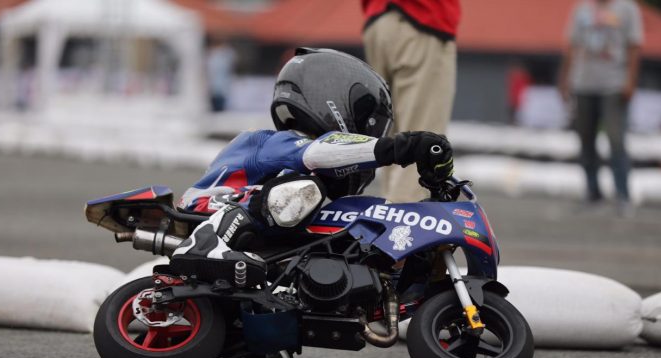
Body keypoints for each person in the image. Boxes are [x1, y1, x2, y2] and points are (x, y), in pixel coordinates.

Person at [170, 47, 454, 288]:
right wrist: (402, 147)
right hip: (207, 210)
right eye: (370, 124)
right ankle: (203, 246)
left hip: (254, 229)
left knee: (344, 223)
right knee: (306, 190)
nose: (371, 133)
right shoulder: (273, 142)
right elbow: (320, 152)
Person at [361, 0, 460, 203]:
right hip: (422, 18)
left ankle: (391, 211)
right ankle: (404, 217)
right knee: (423, 145)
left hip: (378, 20)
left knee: (394, 145)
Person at [558, 0, 643, 217]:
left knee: (616, 140)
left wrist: (631, 81)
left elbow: (634, 47)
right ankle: (593, 193)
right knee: (586, 139)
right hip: (583, 83)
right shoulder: (582, 9)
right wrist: (565, 79)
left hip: (614, 85)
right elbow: (572, 46)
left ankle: (622, 195)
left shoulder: (627, 9)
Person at [205, 38, 236, 112]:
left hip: (221, 88)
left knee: (220, 107)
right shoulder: (213, 56)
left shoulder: (224, 55)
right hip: (214, 88)